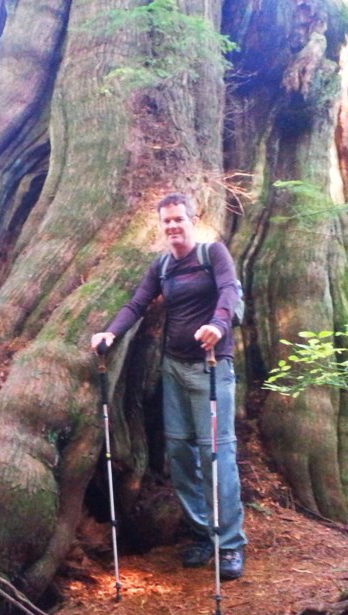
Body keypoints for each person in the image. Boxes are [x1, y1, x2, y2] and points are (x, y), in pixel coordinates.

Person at [90, 192, 247, 580]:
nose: (173, 226)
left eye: (179, 219)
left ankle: (229, 545)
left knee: (217, 456)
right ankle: (201, 533)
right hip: (174, 369)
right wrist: (110, 334)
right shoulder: (162, 266)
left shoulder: (214, 254)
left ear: (192, 220)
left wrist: (218, 324)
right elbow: (137, 303)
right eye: (167, 221)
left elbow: (229, 291)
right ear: (161, 226)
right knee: (179, 455)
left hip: (212, 368)